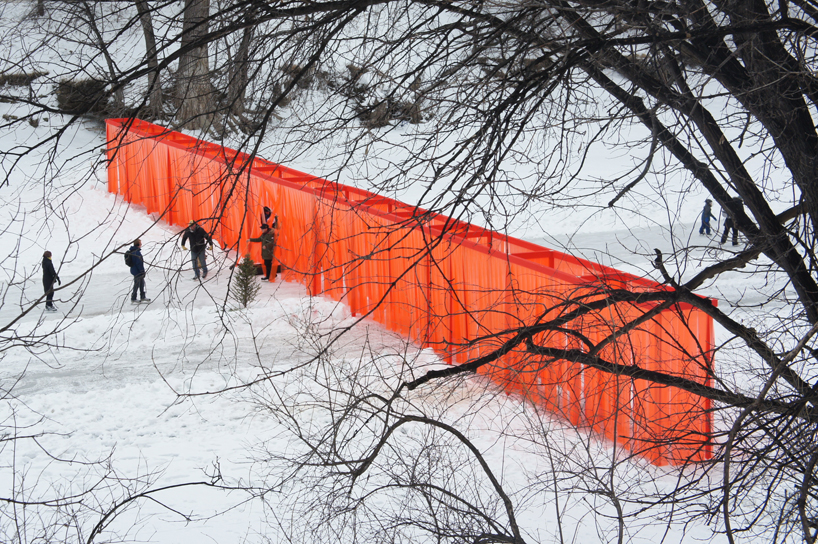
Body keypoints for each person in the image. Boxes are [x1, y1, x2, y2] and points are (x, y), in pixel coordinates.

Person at [128, 238, 151, 304]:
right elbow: (139, 263)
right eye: (140, 244)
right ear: (138, 244)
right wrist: (142, 271)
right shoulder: (136, 253)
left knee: (141, 283)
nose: (141, 245)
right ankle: (133, 298)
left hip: (135, 270)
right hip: (137, 271)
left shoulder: (134, 251)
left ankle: (142, 296)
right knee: (137, 284)